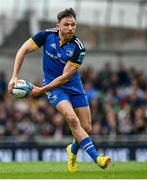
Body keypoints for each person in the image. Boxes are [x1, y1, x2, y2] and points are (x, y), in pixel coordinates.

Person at [8, 8, 111, 172]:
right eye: (67, 25)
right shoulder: (46, 35)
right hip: (54, 88)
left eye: (73, 25)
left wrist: (41, 90)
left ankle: (72, 150)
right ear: (59, 26)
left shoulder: (79, 48)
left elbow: (64, 78)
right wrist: (14, 75)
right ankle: (98, 158)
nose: (70, 28)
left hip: (72, 84)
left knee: (87, 128)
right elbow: (23, 50)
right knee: (72, 118)